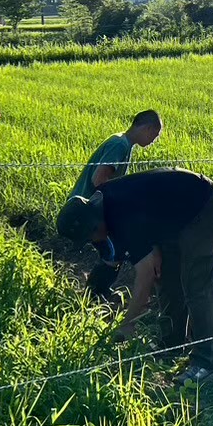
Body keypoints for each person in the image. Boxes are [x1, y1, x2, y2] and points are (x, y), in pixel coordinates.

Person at [57, 168, 213, 386]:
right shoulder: (99, 209)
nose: (92, 242)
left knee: (198, 287)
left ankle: (205, 363)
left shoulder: (120, 216)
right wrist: (92, 292)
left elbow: (144, 274)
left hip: (203, 206)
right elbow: (113, 257)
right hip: (173, 216)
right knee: (166, 279)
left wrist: (127, 323)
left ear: (94, 226)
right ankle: (171, 345)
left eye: (89, 237)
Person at [71, 110, 164, 299]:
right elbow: (99, 179)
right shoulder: (120, 145)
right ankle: (94, 294)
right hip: (89, 211)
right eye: (155, 136)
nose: (153, 141)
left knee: (115, 251)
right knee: (113, 252)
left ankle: (97, 291)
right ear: (147, 128)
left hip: (92, 208)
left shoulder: (123, 142)